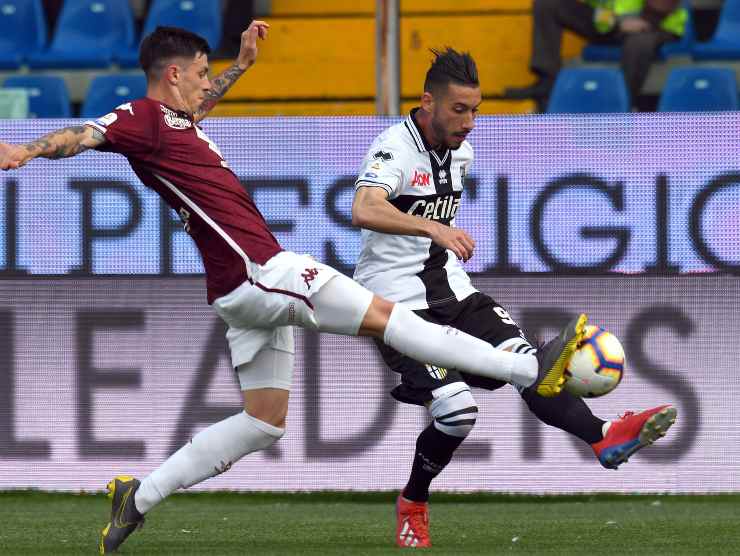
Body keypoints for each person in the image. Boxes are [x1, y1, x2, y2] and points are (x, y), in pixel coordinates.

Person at [0, 24, 588, 554]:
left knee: (263, 420)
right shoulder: (141, 119)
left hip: (238, 292)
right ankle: (529, 371)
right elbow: (83, 134)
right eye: (203, 72)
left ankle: (138, 497)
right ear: (173, 74)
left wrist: (243, 66)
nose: (209, 84)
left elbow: (192, 109)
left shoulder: (174, 124)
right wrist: (23, 152)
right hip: (263, 270)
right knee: (390, 317)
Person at [351, 47, 677, 549]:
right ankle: (414, 501)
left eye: (476, 109)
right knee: (457, 412)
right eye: (459, 109)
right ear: (427, 101)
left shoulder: (462, 151)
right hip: (396, 303)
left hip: (454, 290)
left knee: (534, 368)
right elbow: (364, 208)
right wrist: (432, 228)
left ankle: (604, 437)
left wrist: (435, 238)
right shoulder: (394, 146)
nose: (470, 122)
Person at [503, 0, 688, 105]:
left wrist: (645, 20)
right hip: (613, 25)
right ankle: (548, 81)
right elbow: (597, 8)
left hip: (656, 22)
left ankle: (622, 101)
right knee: (548, 4)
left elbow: (666, 4)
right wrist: (617, 24)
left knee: (639, 43)